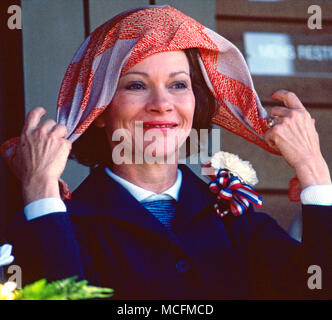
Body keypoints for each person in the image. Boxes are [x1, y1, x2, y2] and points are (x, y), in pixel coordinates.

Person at [1, 5, 331, 299]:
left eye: (178, 84)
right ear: (98, 111)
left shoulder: (236, 221)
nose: (162, 104)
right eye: (136, 85)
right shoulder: (57, 223)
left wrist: (313, 169)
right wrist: (40, 191)